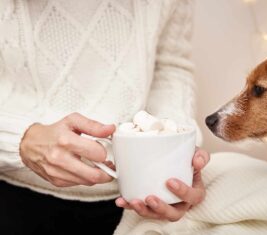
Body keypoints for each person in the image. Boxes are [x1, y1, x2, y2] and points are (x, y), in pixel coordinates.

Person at [0, 0, 210, 234]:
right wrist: (18, 139)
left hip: (136, 207)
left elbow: (170, 64)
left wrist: (176, 155)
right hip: (12, 197)